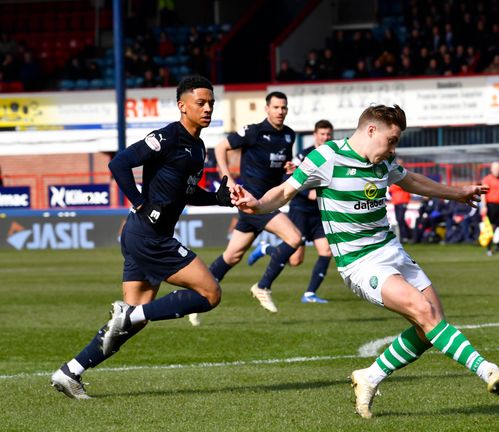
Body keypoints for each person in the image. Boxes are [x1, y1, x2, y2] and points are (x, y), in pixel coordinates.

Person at [230, 104, 499, 419]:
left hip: (392, 251)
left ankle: (370, 376)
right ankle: (489, 371)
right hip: (359, 263)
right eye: (391, 141)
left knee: (431, 327)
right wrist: (256, 204)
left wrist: (456, 193)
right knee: (424, 312)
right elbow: (284, 191)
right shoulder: (327, 158)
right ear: (371, 130)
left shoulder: (384, 161)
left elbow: (412, 182)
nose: (393, 149)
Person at [50, 76, 233, 399]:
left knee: (129, 325)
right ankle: (129, 313)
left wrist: (215, 199)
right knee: (210, 293)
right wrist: (140, 202)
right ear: (182, 106)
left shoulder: (197, 146)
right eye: (200, 103)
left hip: (145, 237)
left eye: (210, 103)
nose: (207, 108)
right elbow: (119, 163)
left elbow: (185, 192)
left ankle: (70, 371)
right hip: (149, 237)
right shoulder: (166, 137)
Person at [206, 91, 302, 315]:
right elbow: (220, 147)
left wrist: (288, 169)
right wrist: (227, 178)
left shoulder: (289, 135)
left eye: (283, 108)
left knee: (232, 256)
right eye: (276, 107)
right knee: (294, 237)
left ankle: (200, 292)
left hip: (267, 202)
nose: (280, 111)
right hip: (252, 202)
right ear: (267, 109)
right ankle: (263, 286)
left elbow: (279, 168)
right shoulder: (253, 131)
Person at [247, 119, 334, 304]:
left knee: (326, 251)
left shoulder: (333, 156)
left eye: (328, 134)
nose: (326, 138)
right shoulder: (304, 156)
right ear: (315, 135)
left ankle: (310, 293)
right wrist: (309, 194)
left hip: (319, 213)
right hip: (300, 211)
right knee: (295, 260)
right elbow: (288, 182)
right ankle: (265, 248)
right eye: (322, 134)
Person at [481, 161, 499, 255]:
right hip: (490, 205)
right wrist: (484, 206)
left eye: (498, 168)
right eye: (495, 168)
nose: (497, 170)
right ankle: (489, 248)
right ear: (491, 169)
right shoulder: (487, 179)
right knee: (491, 228)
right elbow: (483, 193)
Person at [388, 159, 412, 243]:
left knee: (401, 219)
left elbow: (397, 186)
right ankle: (407, 236)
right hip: (396, 201)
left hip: (403, 200)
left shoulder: (404, 174)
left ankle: (406, 236)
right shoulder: (396, 174)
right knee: (399, 219)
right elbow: (391, 188)